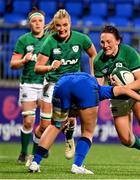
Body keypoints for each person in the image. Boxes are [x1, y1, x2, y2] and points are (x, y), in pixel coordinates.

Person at [28, 72, 140, 174]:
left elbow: (71, 111)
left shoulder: (93, 84)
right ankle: (77, 166)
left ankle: (35, 163)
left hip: (61, 84)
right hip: (84, 88)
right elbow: (124, 90)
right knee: (87, 132)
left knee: (55, 125)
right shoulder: (103, 90)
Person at [94, 25, 140, 174]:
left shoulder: (129, 53)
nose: (105, 45)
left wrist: (124, 86)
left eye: (109, 42)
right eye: (102, 42)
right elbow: (98, 88)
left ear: (118, 41)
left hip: (137, 91)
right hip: (118, 97)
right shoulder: (98, 61)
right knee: (125, 139)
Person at [33, 9, 97, 160]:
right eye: (58, 25)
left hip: (71, 83)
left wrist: (94, 76)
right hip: (52, 83)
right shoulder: (50, 41)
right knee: (45, 125)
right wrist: (50, 67)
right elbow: (37, 68)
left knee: (71, 118)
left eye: (65, 25)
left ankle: (69, 139)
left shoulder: (81, 39)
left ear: (70, 24)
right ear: (55, 25)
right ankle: (35, 152)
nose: (62, 29)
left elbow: (93, 54)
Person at [10, 7, 48, 164]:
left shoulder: (51, 39)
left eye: (40, 20)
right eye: (34, 21)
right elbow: (13, 64)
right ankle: (24, 152)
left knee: (45, 124)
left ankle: (35, 153)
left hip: (47, 85)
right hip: (29, 84)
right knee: (28, 121)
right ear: (29, 23)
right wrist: (24, 60)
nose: (38, 23)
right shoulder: (23, 40)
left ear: (44, 23)